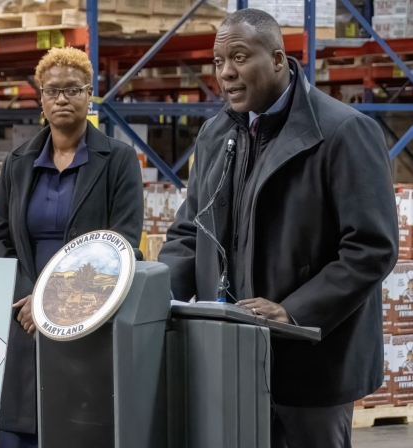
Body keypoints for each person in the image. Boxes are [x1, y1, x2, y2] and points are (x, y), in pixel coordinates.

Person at [158, 9, 397, 448]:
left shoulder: (342, 132)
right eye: (217, 62)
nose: (226, 73)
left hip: (309, 366)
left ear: (277, 60)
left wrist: (293, 312)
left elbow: (370, 248)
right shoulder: (215, 135)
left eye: (239, 57)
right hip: (228, 358)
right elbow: (190, 234)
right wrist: (153, 294)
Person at [0, 47, 144, 448]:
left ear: (89, 95)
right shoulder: (18, 163)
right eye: (52, 91)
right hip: (24, 320)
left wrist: (56, 305)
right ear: (40, 97)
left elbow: (123, 244)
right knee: (22, 427)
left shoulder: (119, 160)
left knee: (78, 428)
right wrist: (32, 302)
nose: (62, 99)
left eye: (73, 90)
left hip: (89, 321)